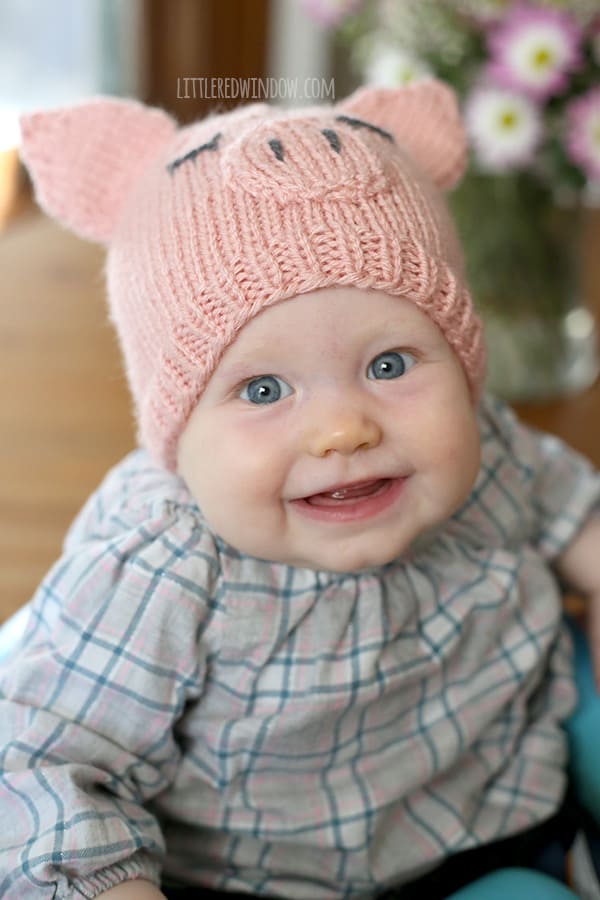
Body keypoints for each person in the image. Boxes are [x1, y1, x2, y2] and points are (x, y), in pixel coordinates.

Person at [1, 79, 600, 900]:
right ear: (177, 429)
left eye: (389, 366)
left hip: (484, 826)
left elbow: (580, 517)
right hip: (256, 879)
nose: (342, 429)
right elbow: (44, 771)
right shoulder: (161, 562)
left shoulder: (483, 444)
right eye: (262, 390)